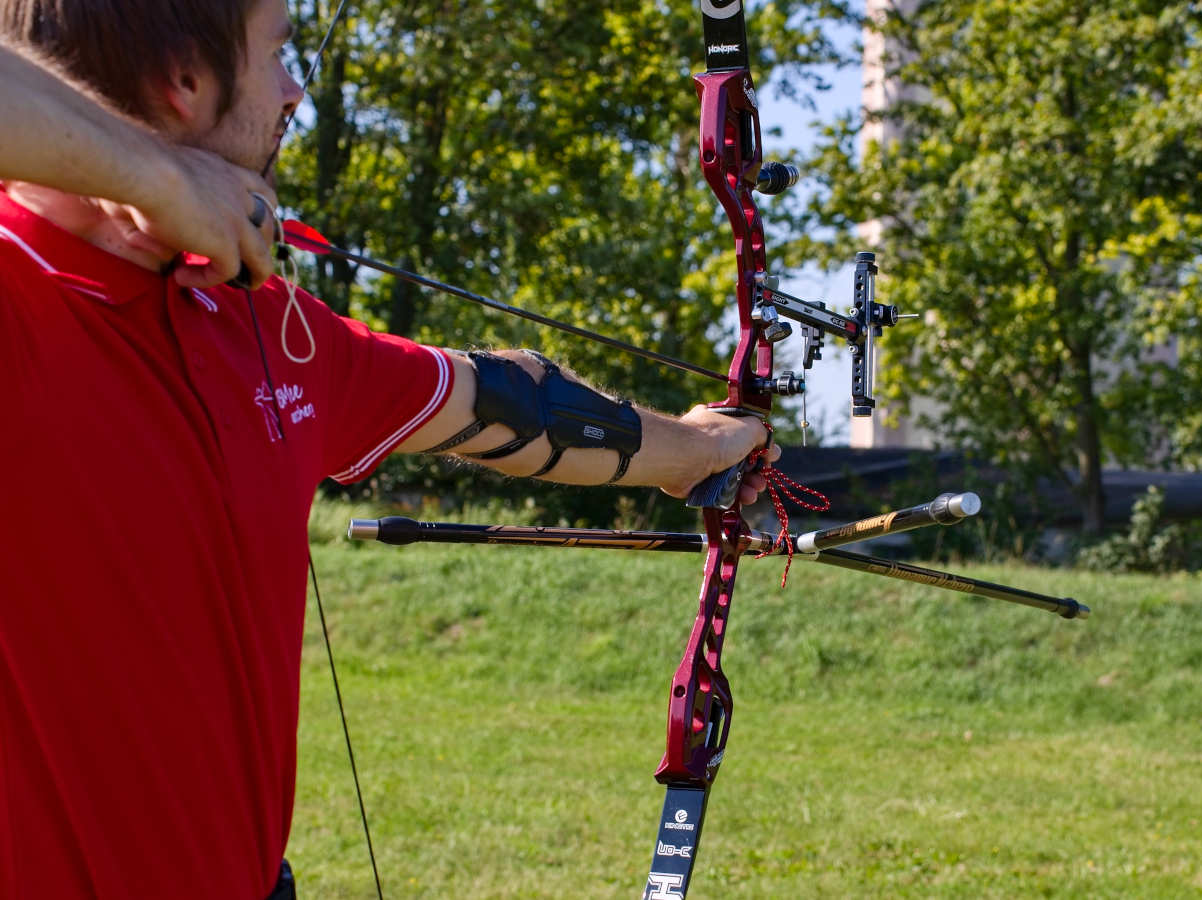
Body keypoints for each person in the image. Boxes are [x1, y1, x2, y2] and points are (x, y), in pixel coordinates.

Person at [0, 0, 778, 896]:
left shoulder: (260, 320)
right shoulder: (21, 295)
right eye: (278, 53)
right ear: (184, 82)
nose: (297, 89)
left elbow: (504, 406)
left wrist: (699, 449)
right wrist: (159, 179)